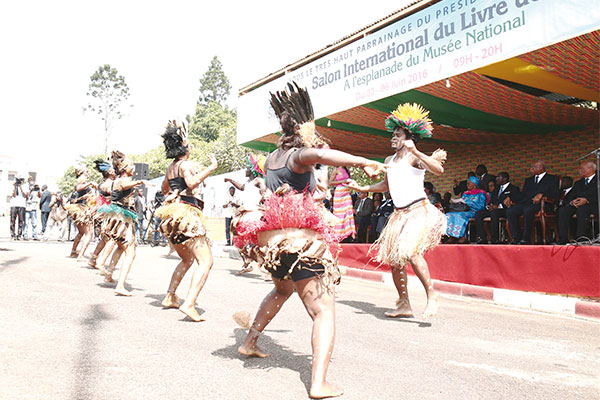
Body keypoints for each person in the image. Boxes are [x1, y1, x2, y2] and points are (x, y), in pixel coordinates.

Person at [233, 82, 384, 399]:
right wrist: (365, 161)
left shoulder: (273, 157)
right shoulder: (298, 155)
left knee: (282, 288)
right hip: (299, 242)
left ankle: (249, 342)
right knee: (323, 312)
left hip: (276, 243)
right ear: (302, 129)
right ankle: (318, 384)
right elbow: (323, 155)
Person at [346, 102, 446, 319]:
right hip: (399, 214)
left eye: (398, 134)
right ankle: (404, 304)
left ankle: (432, 296)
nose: (393, 137)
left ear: (409, 138)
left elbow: (439, 170)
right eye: (393, 134)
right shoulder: (389, 160)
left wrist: (416, 151)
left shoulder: (414, 157)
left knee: (410, 252)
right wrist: (361, 187)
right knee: (395, 259)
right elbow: (385, 186)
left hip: (418, 211)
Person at [154, 120, 218, 321]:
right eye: (188, 144)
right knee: (206, 261)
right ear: (184, 147)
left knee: (187, 259)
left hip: (173, 217)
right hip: (186, 215)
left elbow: (165, 189)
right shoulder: (186, 164)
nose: (190, 147)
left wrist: (176, 190)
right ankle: (189, 303)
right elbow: (191, 182)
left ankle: (170, 295)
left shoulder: (171, 167)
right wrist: (212, 167)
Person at [94, 151, 151, 295]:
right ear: (125, 168)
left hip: (118, 215)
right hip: (121, 218)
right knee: (130, 252)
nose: (133, 168)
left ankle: (109, 275)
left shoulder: (115, 181)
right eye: (131, 165)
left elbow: (117, 188)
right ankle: (120, 285)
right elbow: (125, 185)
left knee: (120, 248)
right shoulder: (122, 180)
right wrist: (141, 181)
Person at [225, 154, 268, 274]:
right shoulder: (248, 182)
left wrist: (263, 195)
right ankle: (247, 261)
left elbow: (263, 190)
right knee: (238, 239)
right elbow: (242, 187)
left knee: (256, 240)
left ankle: (264, 265)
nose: (245, 170)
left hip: (254, 213)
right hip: (245, 213)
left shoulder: (258, 181)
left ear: (253, 170)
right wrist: (231, 180)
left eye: (247, 168)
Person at [506, 160, 559, 244]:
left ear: (541, 167)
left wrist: (542, 194)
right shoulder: (529, 180)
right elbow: (522, 195)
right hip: (527, 203)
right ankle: (516, 238)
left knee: (528, 210)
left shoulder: (552, 178)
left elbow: (555, 194)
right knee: (511, 211)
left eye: (533, 167)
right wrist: (510, 197)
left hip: (543, 204)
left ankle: (526, 238)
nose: (531, 169)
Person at [556, 161, 598, 244]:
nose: (580, 171)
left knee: (582, 209)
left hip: (593, 205)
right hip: (578, 205)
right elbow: (570, 196)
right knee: (563, 210)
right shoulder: (578, 183)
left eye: (582, 169)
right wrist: (572, 202)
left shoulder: (598, 179)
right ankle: (563, 238)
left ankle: (581, 237)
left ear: (591, 169)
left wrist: (587, 200)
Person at [474, 172, 519, 244]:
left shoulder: (514, 188)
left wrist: (498, 206)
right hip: (493, 209)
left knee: (494, 213)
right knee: (478, 214)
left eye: (498, 177)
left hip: (505, 210)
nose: (496, 179)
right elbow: (491, 201)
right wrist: (489, 206)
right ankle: (482, 237)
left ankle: (494, 238)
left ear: (505, 179)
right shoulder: (496, 189)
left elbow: (515, 200)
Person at [88, 160, 116, 270]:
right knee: (111, 238)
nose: (115, 171)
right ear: (109, 172)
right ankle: (101, 262)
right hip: (108, 212)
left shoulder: (104, 182)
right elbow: (113, 195)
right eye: (113, 170)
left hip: (104, 211)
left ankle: (93, 259)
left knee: (105, 238)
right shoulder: (109, 183)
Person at [64, 167, 96, 259]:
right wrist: (90, 183)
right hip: (80, 209)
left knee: (81, 232)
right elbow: (78, 188)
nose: (88, 172)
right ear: (81, 173)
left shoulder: (83, 182)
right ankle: (81, 255)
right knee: (89, 233)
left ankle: (73, 252)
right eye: (86, 171)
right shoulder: (81, 181)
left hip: (79, 208)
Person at [446, 176, 489, 243]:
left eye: (469, 183)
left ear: (474, 184)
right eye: (467, 183)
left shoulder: (481, 193)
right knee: (448, 214)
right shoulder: (466, 193)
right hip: (464, 210)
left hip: (474, 211)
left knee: (460, 215)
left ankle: (462, 236)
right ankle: (452, 236)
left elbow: (481, 206)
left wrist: (468, 203)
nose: (467, 185)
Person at [329, 166, 356, 241]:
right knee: (339, 214)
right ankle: (338, 234)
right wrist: (342, 181)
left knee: (349, 210)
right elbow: (330, 182)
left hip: (347, 192)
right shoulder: (336, 170)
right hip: (339, 192)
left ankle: (351, 233)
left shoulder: (347, 170)